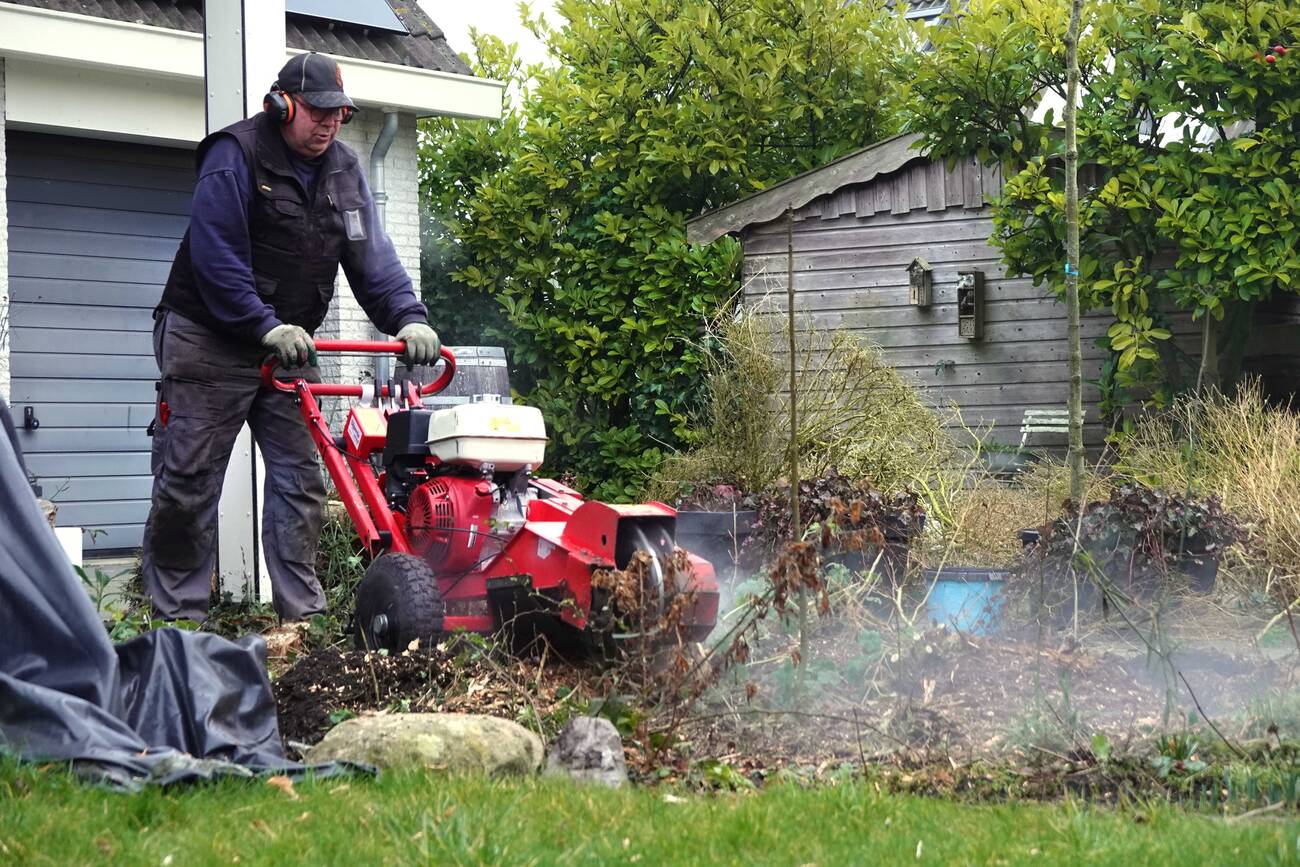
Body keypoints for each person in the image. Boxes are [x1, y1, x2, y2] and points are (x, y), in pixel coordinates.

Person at [143, 52, 440, 623]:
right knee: (189, 482)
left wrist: (408, 315)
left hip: (289, 347)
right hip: (209, 338)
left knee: (301, 482)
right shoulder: (234, 156)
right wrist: (264, 324)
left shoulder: (345, 172)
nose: (330, 124)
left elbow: (371, 259)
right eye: (319, 112)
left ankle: (299, 621)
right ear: (283, 105)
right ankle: (178, 627)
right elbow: (215, 258)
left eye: (340, 114)